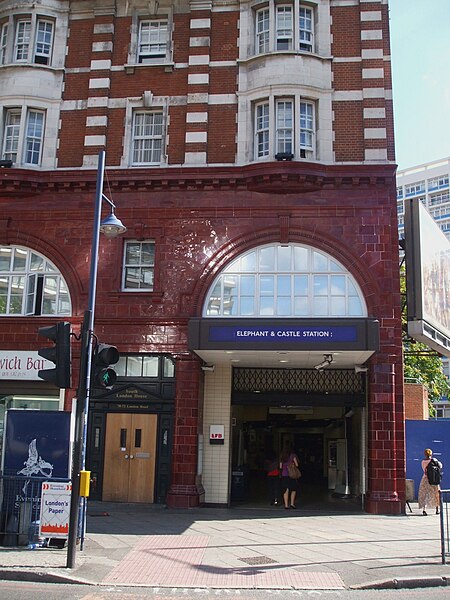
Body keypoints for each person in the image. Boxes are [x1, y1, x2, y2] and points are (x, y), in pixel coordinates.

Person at [418, 448, 441, 516]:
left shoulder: (423, 462)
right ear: (431, 454)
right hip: (434, 479)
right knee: (436, 493)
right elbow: (440, 466)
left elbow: (424, 469)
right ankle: (437, 509)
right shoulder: (435, 461)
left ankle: (424, 510)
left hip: (425, 479)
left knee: (425, 494)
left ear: (425, 454)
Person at [279, 441, 300, 509]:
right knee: (293, 489)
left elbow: (280, 467)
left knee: (286, 489)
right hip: (292, 475)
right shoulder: (293, 455)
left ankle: (286, 505)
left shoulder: (282, 456)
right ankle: (292, 504)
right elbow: (297, 465)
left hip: (284, 475)